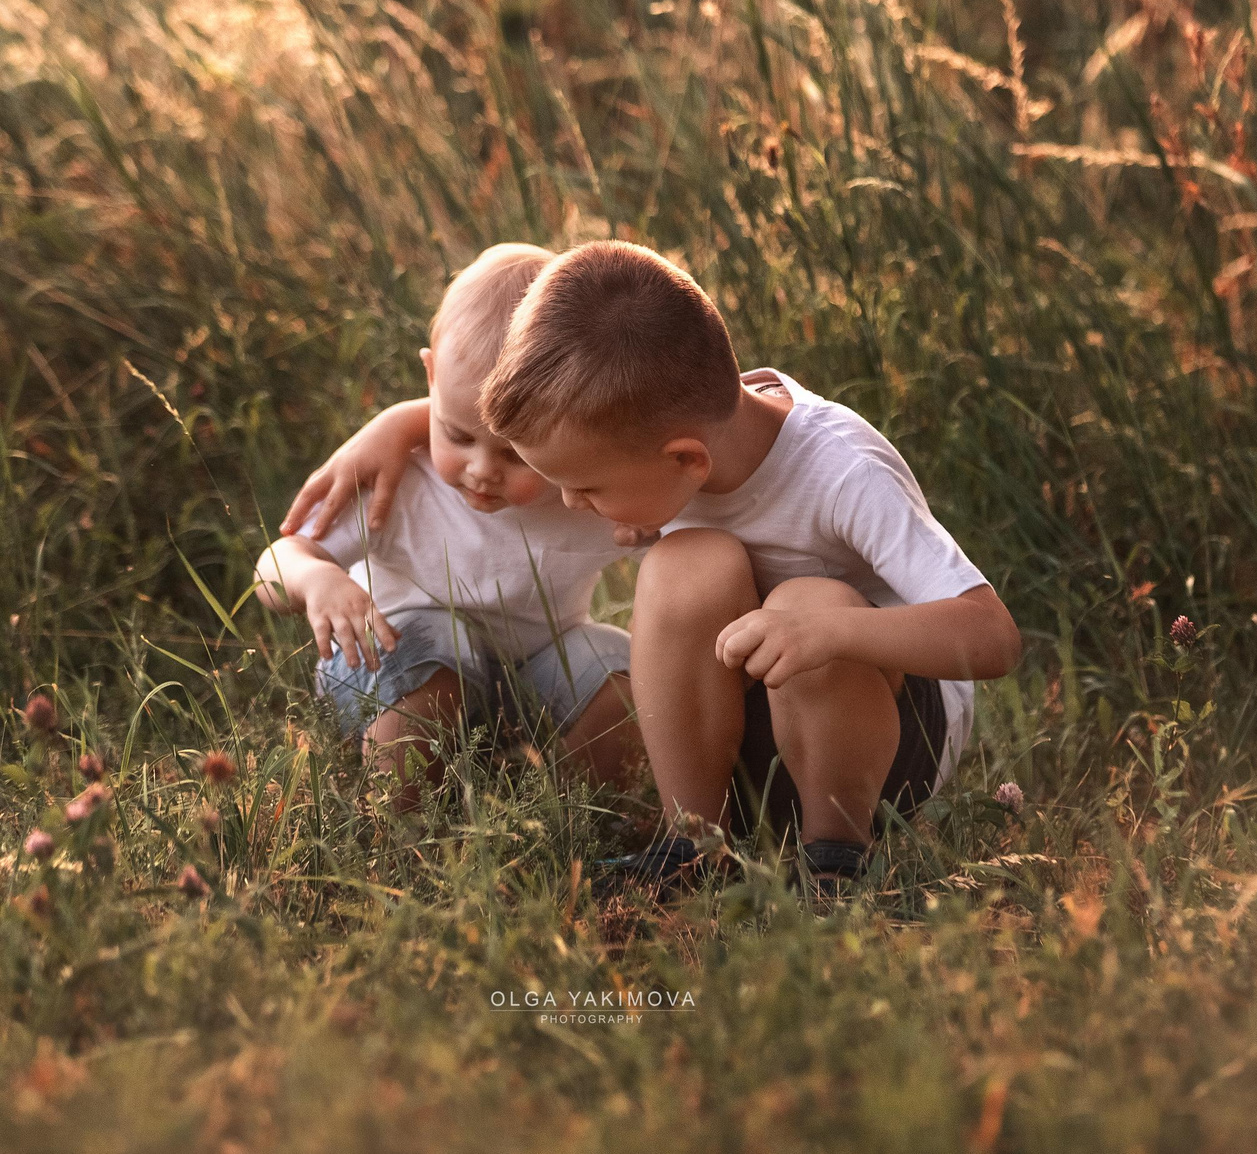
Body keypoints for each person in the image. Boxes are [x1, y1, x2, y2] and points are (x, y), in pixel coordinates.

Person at [283, 240, 1019, 895]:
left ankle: (834, 863)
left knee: (808, 600)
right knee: (687, 564)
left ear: (685, 461)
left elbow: (992, 635)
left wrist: (831, 634)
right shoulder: (657, 418)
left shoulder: (842, 472)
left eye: (588, 489)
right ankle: (695, 841)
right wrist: (401, 424)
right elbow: (537, 341)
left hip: (880, 754)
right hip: (744, 739)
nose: (571, 503)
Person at [252, 244, 647, 811]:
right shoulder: (399, 481)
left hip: (522, 687)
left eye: (515, 453)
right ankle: (403, 825)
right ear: (431, 376)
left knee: (612, 660)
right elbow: (276, 562)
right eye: (458, 436)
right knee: (438, 641)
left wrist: (648, 526)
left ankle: (570, 818)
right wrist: (315, 578)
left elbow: (682, 531)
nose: (481, 470)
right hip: (386, 674)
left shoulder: (585, 497)